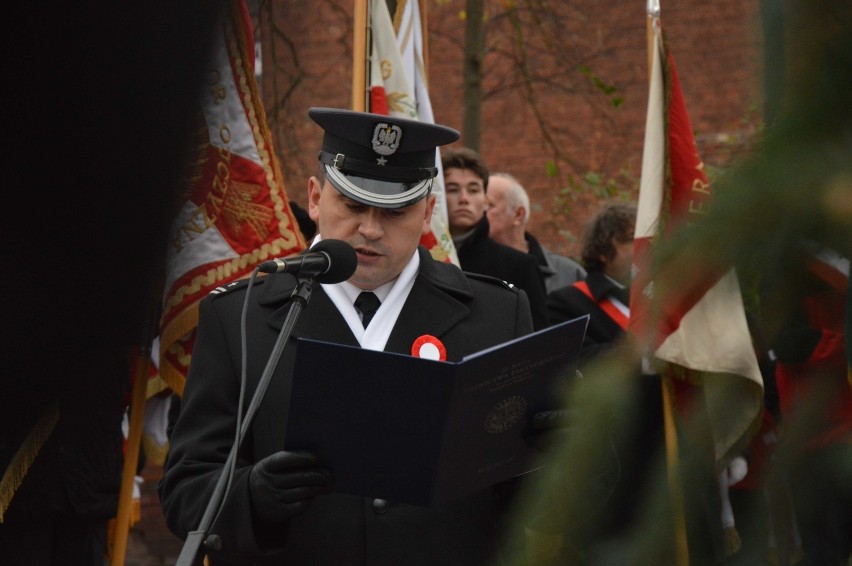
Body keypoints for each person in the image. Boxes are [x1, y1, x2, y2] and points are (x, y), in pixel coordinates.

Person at [158, 108, 537, 565]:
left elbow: (534, 497)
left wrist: (561, 458)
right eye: (353, 205)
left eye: (396, 211)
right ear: (316, 199)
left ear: (427, 212)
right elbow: (186, 488)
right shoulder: (240, 316)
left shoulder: (498, 314)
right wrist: (252, 495)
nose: (371, 230)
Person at [442, 147, 550, 330]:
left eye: (473, 190)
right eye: (452, 190)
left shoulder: (520, 266)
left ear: (485, 200)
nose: (464, 199)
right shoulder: (418, 257)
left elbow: (537, 337)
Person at [486, 172, 587, 294]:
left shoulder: (568, 274)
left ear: (518, 214)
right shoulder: (468, 270)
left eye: (488, 205)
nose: (479, 212)